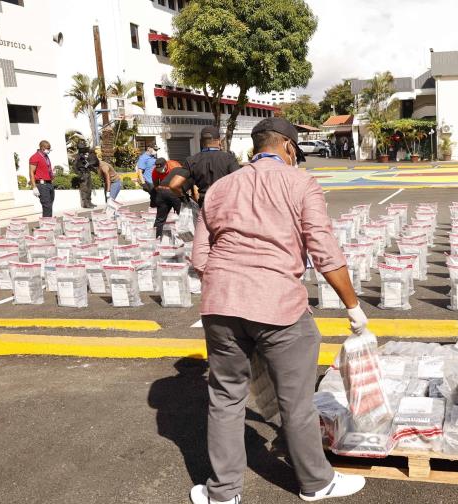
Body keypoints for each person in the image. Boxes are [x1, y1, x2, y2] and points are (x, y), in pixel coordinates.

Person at [189, 117, 367, 504]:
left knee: (225, 397)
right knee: (297, 402)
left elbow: (200, 257)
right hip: (278, 306)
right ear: (287, 146)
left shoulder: (219, 189)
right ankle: (317, 483)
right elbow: (323, 249)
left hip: (220, 304)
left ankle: (223, 493)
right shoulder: (300, 182)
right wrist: (353, 307)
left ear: (254, 147)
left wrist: (230, 286)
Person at [170, 126, 239, 207]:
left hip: (204, 206)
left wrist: (184, 198)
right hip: (225, 205)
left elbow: (173, 185)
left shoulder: (191, 160)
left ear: (201, 142)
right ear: (219, 141)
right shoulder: (229, 158)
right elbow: (239, 183)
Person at [152, 157, 194, 239]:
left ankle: (157, 238)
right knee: (183, 216)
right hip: (172, 192)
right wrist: (184, 199)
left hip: (162, 191)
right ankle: (187, 239)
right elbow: (194, 192)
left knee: (160, 219)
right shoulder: (192, 173)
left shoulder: (174, 167)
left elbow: (161, 185)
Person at [28, 140, 55, 217]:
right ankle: (46, 226)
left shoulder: (46, 156)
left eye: (49, 148)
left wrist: (52, 175)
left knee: (49, 206)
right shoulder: (35, 157)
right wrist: (34, 187)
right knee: (47, 206)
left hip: (49, 183)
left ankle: (48, 224)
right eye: (48, 148)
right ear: (42, 148)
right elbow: (31, 172)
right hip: (42, 184)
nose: (49, 150)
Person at [74, 143, 98, 209]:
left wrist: (92, 169)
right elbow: (75, 166)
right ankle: (85, 204)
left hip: (87, 173)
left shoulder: (83, 156)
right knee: (84, 189)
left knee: (89, 188)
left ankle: (89, 202)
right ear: (80, 149)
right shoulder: (78, 156)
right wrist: (79, 174)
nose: (85, 149)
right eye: (83, 148)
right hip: (82, 174)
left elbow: (87, 164)